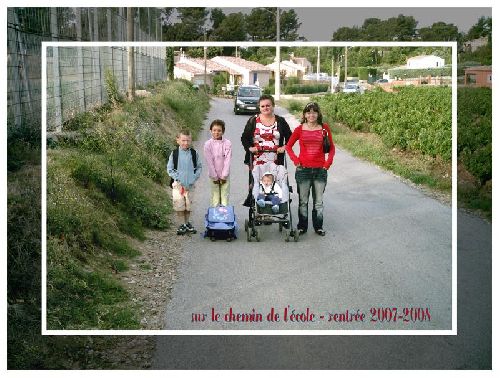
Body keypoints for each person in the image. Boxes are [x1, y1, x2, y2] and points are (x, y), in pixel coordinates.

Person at [285, 102, 335, 236]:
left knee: (318, 202)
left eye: (314, 112)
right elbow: (288, 146)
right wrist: (296, 161)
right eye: (308, 112)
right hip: (303, 170)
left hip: (320, 171)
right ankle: (302, 227)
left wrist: (327, 164)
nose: (311, 115)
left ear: (318, 114)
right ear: (305, 115)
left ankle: (318, 227)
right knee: (303, 201)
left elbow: (331, 149)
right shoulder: (299, 129)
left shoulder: (324, 129)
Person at [241, 94, 291, 206]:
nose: (265, 108)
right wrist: (250, 147)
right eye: (262, 106)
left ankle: (274, 204)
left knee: (275, 183)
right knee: (257, 183)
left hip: (275, 160)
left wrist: (284, 147)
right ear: (259, 107)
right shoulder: (253, 121)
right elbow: (244, 137)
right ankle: (259, 207)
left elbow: (290, 137)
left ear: (273, 106)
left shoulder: (280, 121)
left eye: (268, 105)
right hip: (256, 159)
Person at [167, 129, 202, 235]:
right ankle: (181, 224)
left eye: (188, 140)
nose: (185, 143)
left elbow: (199, 167)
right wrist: (178, 178)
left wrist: (194, 177)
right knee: (179, 205)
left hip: (190, 185)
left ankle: (187, 223)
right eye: (183, 140)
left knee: (188, 205)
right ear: (178, 140)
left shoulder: (194, 153)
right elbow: (170, 169)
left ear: (191, 140)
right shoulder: (174, 154)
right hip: (178, 185)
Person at [203, 119, 232, 207]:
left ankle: (224, 216)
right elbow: (209, 161)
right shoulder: (208, 144)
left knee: (224, 197)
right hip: (213, 175)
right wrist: (214, 176)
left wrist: (224, 175)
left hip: (225, 175)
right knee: (215, 197)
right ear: (210, 131)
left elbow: (228, 160)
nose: (216, 132)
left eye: (219, 130)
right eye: (214, 130)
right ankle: (214, 217)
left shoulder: (227, 143)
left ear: (223, 131)